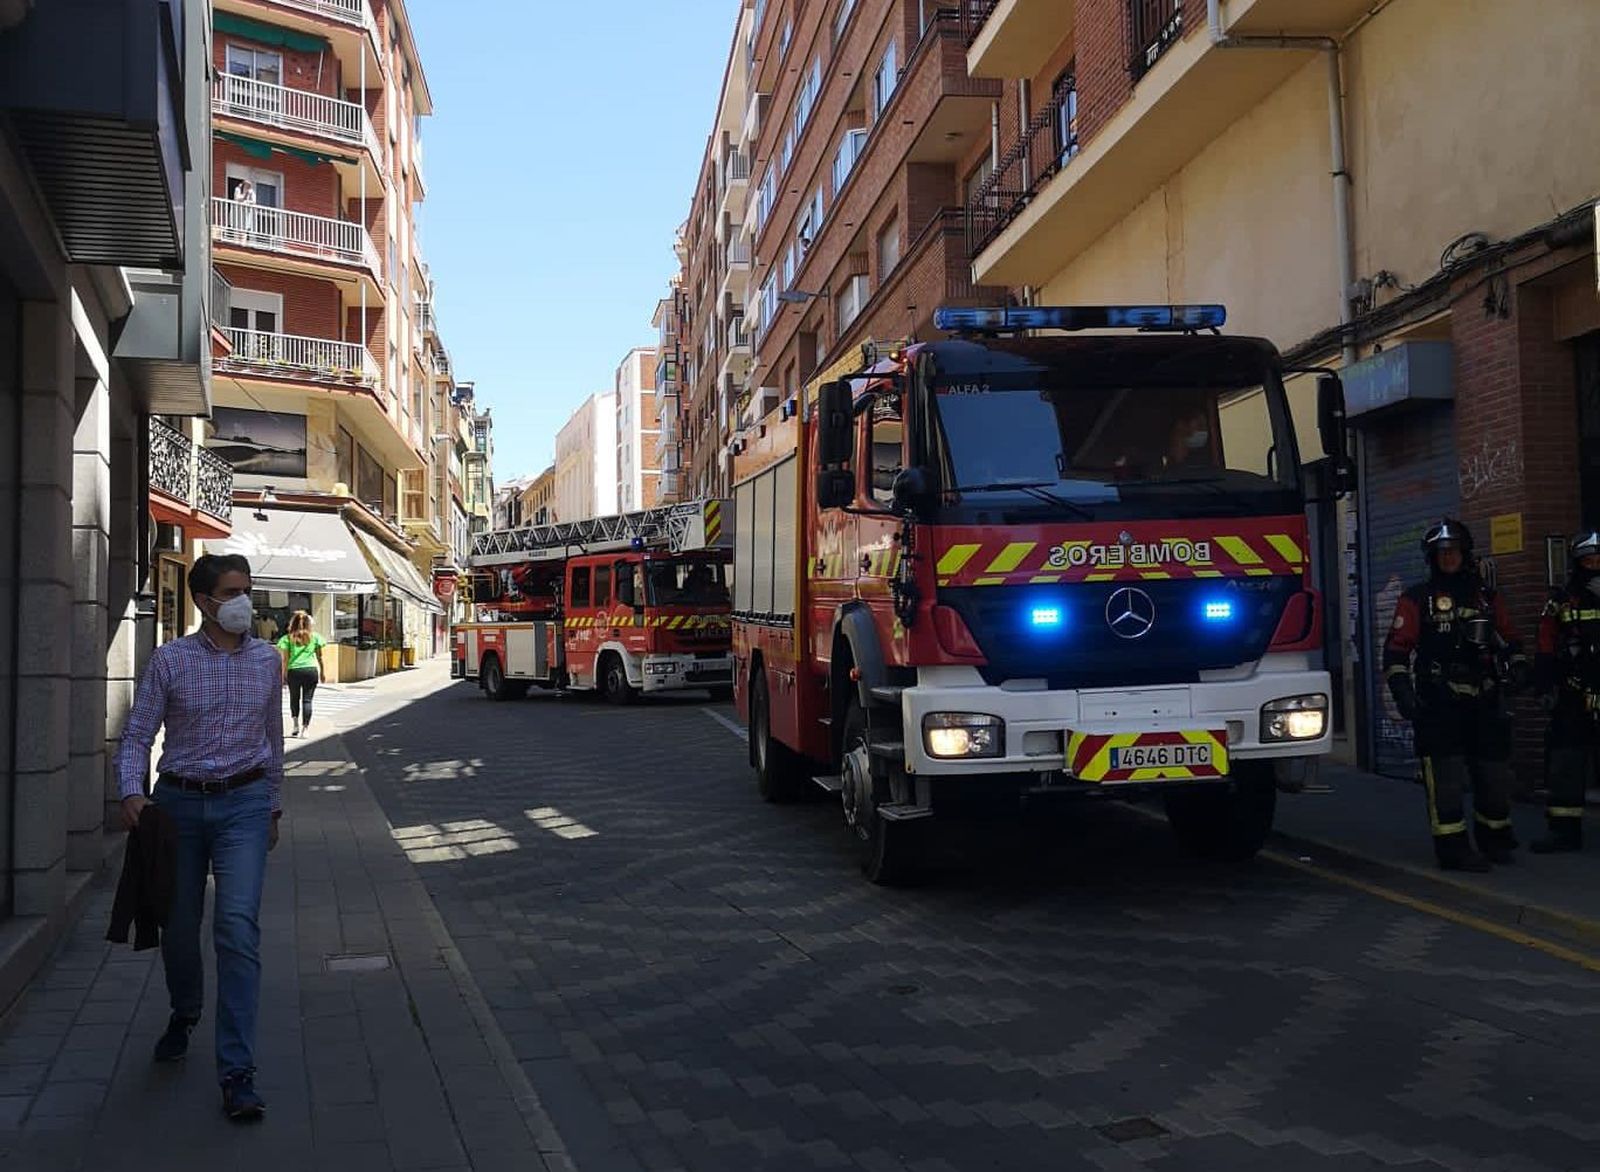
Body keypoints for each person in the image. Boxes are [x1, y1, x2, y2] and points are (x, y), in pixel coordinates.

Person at [114, 553, 283, 1121]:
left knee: (236, 928)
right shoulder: (170, 661)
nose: (244, 602)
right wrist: (130, 792)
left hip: (245, 804)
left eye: (248, 590)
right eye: (232, 592)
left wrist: (274, 804)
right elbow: (138, 733)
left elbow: (272, 739)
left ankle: (237, 1071)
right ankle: (185, 1011)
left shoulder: (268, 661)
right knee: (179, 928)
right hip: (179, 805)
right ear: (203, 601)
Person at [1383, 519, 1527, 872]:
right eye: (1442, 553)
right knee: (1445, 782)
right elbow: (1396, 651)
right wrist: (1403, 692)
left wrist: (1519, 667)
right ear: (1432, 557)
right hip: (1439, 702)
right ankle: (1453, 850)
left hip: (1485, 698)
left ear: (1465, 554)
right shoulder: (1416, 599)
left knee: (1493, 776)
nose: (1449, 558)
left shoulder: (1487, 598)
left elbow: (1510, 639)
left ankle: (1494, 840)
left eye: (1455, 551)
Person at [1532, 530, 1600, 852]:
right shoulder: (1561, 599)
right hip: (1573, 692)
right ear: (1577, 562)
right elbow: (1545, 642)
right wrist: (1545, 685)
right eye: (1589, 559)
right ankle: (1563, 829)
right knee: (1565, 761)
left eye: (1599, 558)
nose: (1595, 564)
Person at [277, 610, 325, 738]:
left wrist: (283, 675)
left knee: (294, 698)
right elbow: (320, 657)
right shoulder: (315, 637)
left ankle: (295, 726)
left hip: (294, 671)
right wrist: (323, 672)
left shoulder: (287, 638)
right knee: (307, 700)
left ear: (293, 623)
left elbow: (285, 659)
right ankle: (305, 729)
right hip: (310, 670)